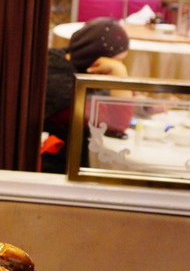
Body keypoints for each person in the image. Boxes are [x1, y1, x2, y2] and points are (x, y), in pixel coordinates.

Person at [42, 17, 133, 173]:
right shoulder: (67, 89)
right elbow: (118, 124)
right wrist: (119, 73)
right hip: (58, 169)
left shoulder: (65, 59)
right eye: (116, 61)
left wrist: (146, 106)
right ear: (95, 61)